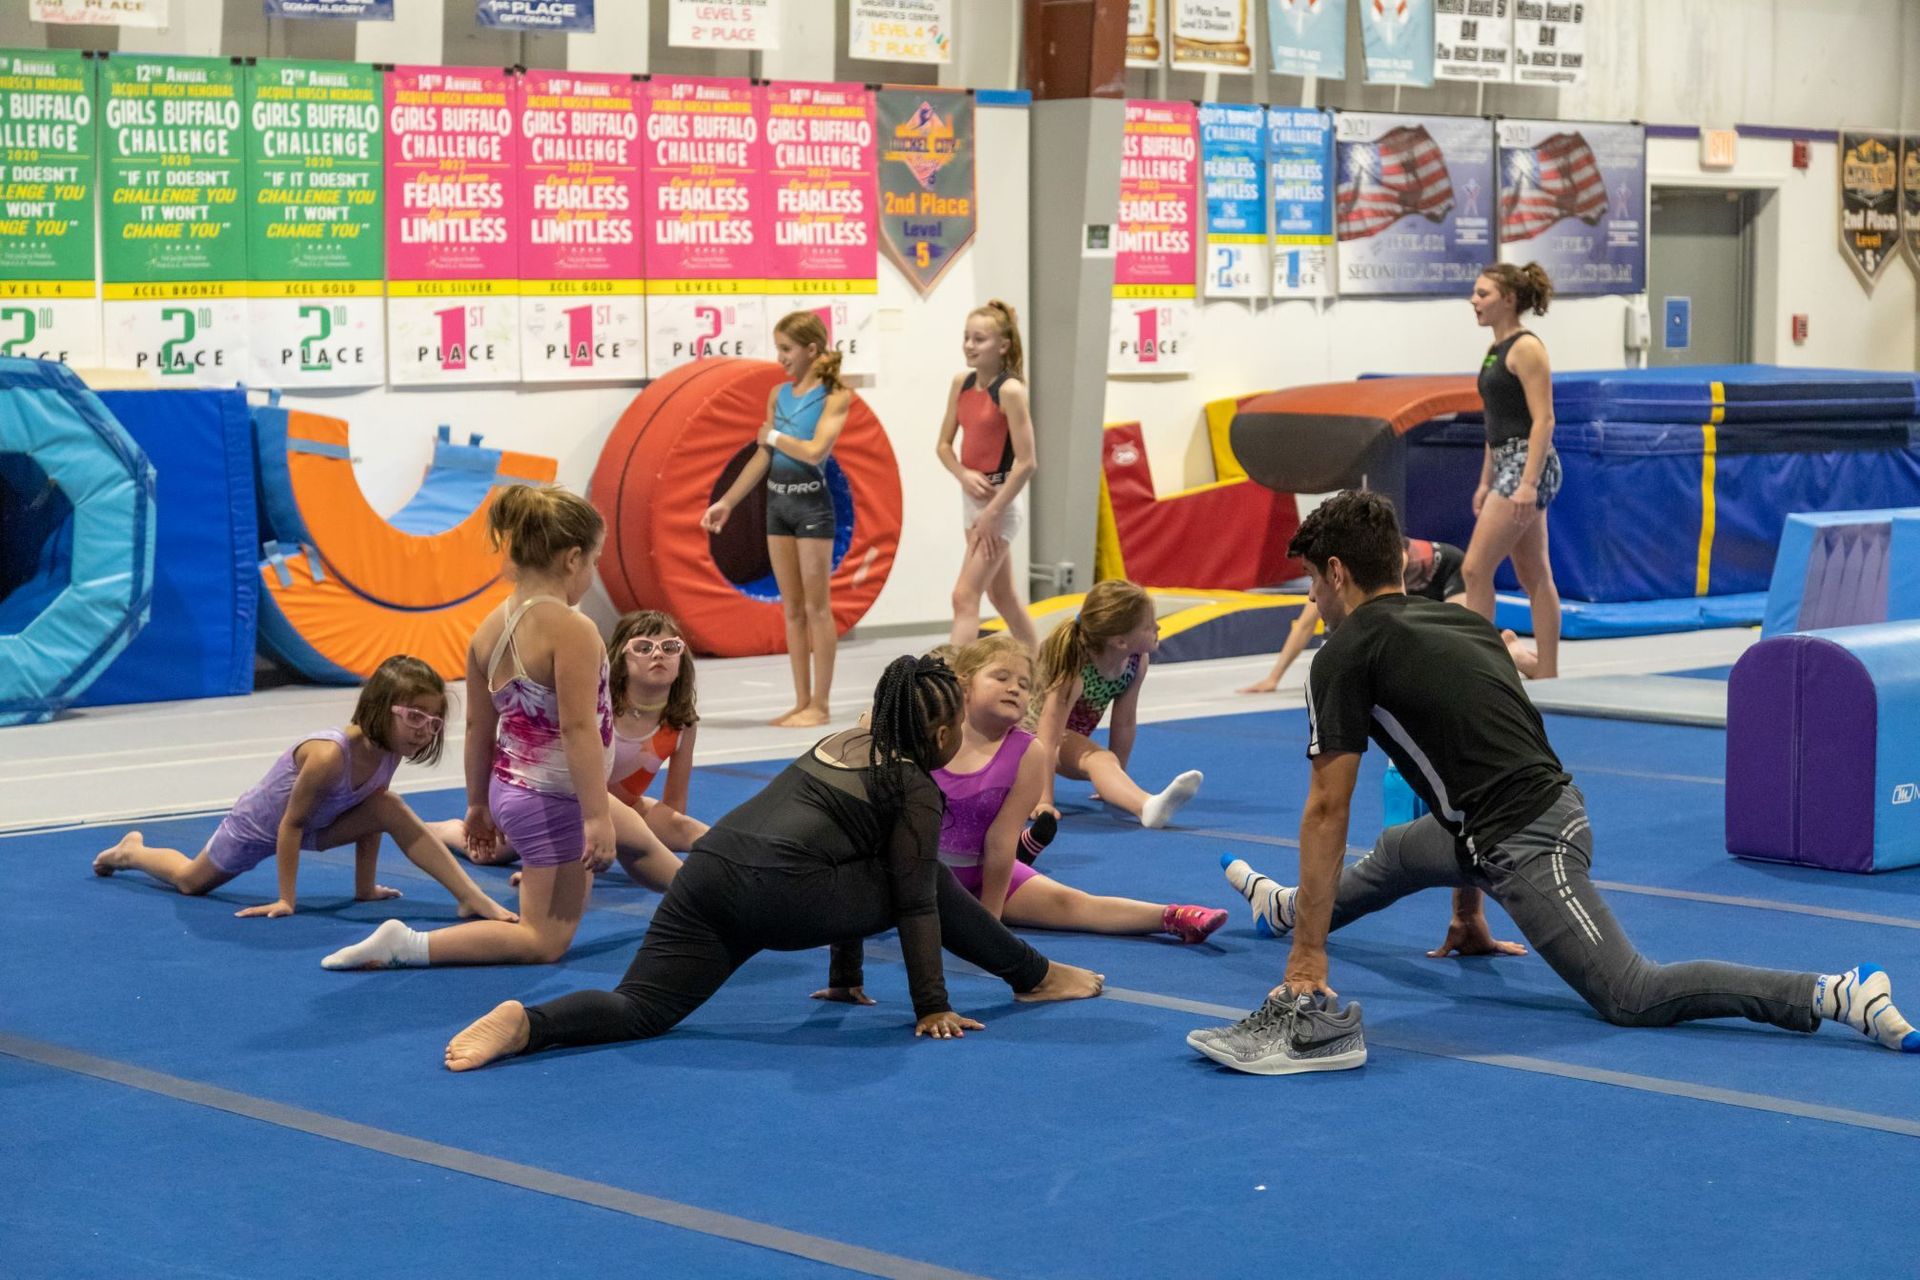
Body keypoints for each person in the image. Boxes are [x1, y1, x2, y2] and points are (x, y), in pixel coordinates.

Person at [1191, 489, 1920, 1074]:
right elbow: (1467, 752)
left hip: (1528, 835)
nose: (1312, 598)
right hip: (1492, 822)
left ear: (1338, 574)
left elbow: (1326, 807)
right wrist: (1467, 915)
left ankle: (1834, 993)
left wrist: (1309, 965)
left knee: (1631, 993)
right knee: (1397, 855)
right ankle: (1288, 908)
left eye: (1313, 581)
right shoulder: (1464, 622)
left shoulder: (1345, 653)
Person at [442, 656, 1106, 1071]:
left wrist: (846, 977)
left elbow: (851, 855)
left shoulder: (840, 742)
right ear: (938, 734)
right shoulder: (914, 787)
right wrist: (931, 1006)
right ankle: (1034, 977)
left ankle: (533, 1024)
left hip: (709, 872)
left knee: (639, 1006)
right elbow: (911, 898)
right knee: (922, 875)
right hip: (781, 896)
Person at [320, 484, 617, 971]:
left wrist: (477, 803)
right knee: (541, 941)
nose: (592, 573)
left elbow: (480, 726)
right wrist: (596, 816)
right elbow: (578, 729)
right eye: (594, 561)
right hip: (554, 799)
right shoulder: (572, 628)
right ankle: (408, 946)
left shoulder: (487, 630)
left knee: (549, 924)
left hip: (512, 790)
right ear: (571, 559)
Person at [92, 655, 512, 925]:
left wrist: (364, 890)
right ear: (380, 710)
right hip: (260, 826)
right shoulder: (330, 755)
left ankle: (469, 896)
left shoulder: (392, 748)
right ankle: (132, 851)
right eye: (414, 717)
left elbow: (372, 819)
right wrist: (286, 899)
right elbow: (288, 826)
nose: (423, 731)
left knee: (389, 806)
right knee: (189, 881)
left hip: (321, 823)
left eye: (433, 722)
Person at [935, 635, 1226, 942]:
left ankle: (1171, 916)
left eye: (1023, 684)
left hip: (986, 876)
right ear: (964, 686)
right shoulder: (935, 735)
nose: (1014, 688)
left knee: (1072, 904)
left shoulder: (1026, 753)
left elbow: (1000, 840)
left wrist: (988, 920)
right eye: (1001, 677)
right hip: (925, 874)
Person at [430, 609, 704, 888]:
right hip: (563, 805)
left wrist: (654, 843)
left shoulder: (682, 723)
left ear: (683, 657)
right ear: (621, 657)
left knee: (688, 829)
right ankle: (439, 831)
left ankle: (742, 855)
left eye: (670, 647)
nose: (658, 654)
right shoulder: (599, 705)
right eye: (643, 647)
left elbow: (674, 806)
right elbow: (558, 772)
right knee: (486, 853)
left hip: (624, 809)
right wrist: (547, 863)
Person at [701, 311, 852, 728]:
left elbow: (816, 451)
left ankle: (820, 705)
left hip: (812, 509)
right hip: (777, 507)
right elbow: (763, 455)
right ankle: (801, 700)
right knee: (792, 610)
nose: (781, 357)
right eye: (779, 348)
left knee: (817, 607)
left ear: (812, 349)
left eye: (787, 349)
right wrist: (727, 502)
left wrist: (772, 436)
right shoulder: (776, 394)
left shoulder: (835, 395)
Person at [1033, 579, 1202, 830]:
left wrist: (1114, 780)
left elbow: (1124, 722)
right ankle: (1146, 806)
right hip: (1027, 740)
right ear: (1120, 641)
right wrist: (1043, 798)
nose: (1158, 626)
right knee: (1100, 759)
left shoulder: (1135, 662)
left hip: (1062, 739)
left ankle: (1136, 799)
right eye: (1148, 625)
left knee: (1105, 762)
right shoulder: (1075, 671)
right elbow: (1046, 738)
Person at [1462, 262, 1561, 679]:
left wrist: (1527, 484)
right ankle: (1546, 673)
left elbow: (1544, 420)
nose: (1474, 301)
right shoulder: (1493, 352)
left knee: (1474, 568)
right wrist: (1485, 481)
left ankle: (1482, 673)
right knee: (1533, 572)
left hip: (1528, 464)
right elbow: (1494, 423)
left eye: (1482, 294)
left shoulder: (1526, 348)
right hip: (1506, 462)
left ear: (1509, 299)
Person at [1239, 537, 1482, 694]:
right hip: (1412, 581)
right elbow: (1305, 624)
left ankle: (1501, 657)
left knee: (1459, 639)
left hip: (1448, 571)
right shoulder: (1332, 573)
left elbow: (1399, 606)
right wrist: (1273, 678)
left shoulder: (1394, 557)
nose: (1313, 591)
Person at [936, 301, 1039, 651]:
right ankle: (1042, 671)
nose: (968, 345)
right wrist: (962, 474)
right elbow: (943, 446)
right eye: (966, 337)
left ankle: (953, 685)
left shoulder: (1010, 391)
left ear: (1003, 346)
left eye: (979, 339)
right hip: (972, 497)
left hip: (1000, 503)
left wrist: (992, 514)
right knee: (1003, 596)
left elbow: (1027, 462)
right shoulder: (961, 383)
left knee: (964, 596)